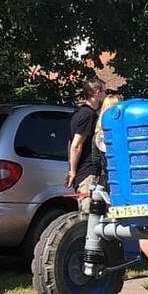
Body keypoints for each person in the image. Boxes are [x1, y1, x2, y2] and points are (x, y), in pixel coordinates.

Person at [93, 94, 148, 278]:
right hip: (114, 186)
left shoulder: (102, 135)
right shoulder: (105, 137)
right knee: (139, 225)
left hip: (115, 185)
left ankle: (138, 265)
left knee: (134, 224)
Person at [67, 77, 106, 212]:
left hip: (83, 173)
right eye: (104, 92)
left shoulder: (78, 113)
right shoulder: (88, 115)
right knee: (89, 216)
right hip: (88, 173)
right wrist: (72, 171)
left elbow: (70, 143)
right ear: (96, 92)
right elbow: (76, 145)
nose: (105, 96)